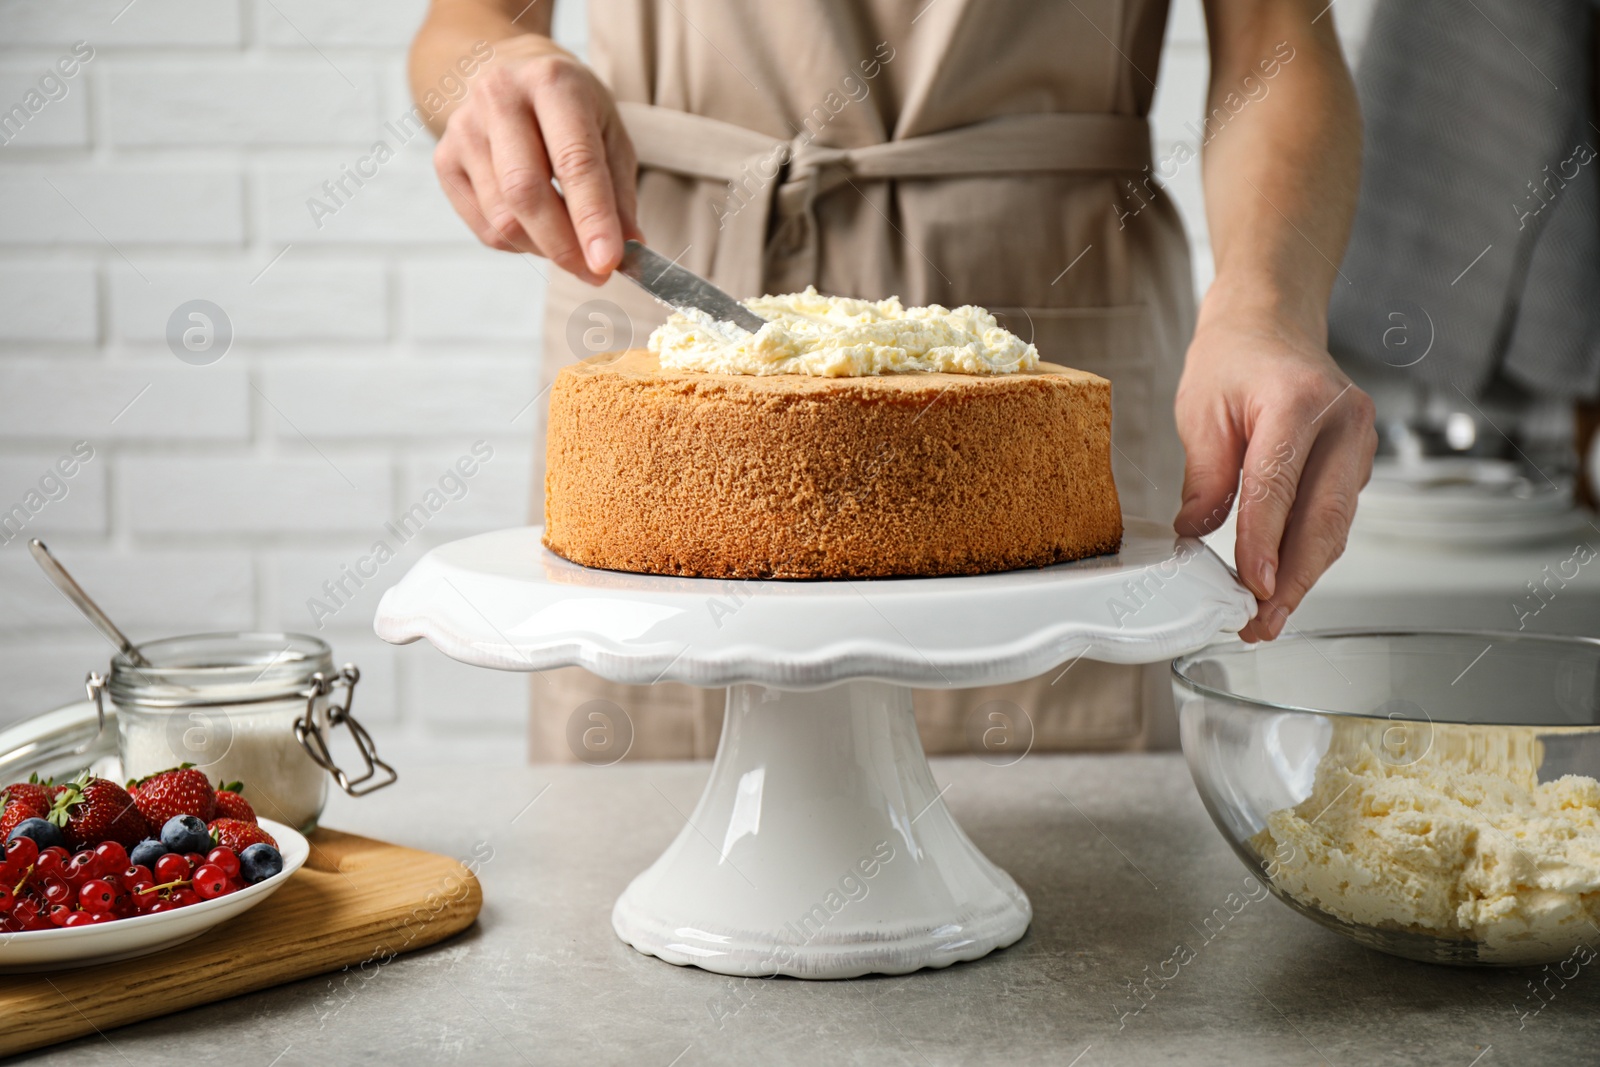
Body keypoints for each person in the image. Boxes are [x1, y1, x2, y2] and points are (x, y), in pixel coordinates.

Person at [410, 0, 1378, 760]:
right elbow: (462, 21)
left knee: (1082, 881)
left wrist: (1265, 301)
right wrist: (491, 73)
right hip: (669, 309)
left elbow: (1274, 42)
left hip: (1048, 311)